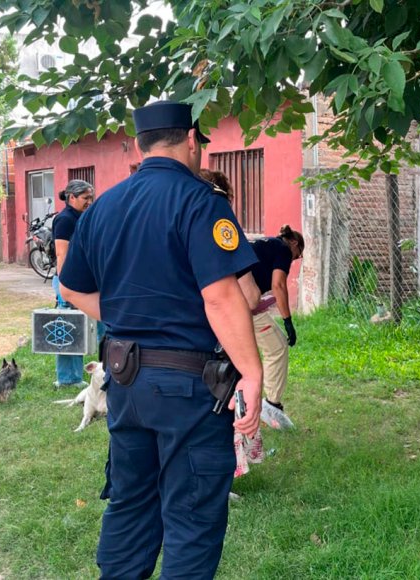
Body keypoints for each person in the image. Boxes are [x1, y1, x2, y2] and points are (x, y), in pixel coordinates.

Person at [58, 100, 263, 578]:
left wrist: (130, 315)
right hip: (188, 389)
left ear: (138, 145)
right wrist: (252, 373)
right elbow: (221, 297)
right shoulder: (201, 201)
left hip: (125, 383)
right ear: (191, 140)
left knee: (131, 504)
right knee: (191, 515)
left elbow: (71, 288)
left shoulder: (103, 206)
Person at [243, 225, 304, 430]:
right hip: (242, 304)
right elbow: (278, 285)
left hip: (232, 298)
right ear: (294, 243)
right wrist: (288, 321)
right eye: (297, 255)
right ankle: (271, 405)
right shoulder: (283, 249)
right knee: (277, 347)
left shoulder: (266, 243)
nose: (293, 260)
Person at [51, 179, 94, 388]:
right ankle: (67, 379)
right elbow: (62, 254)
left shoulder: (82, 217)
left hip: (82, 280)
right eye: (85, 198)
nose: (89, 202)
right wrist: (64, 286)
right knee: (68, 328)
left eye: (91, 197)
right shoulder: (65, 220)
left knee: (82, 328)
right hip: (68, 282)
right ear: (72, 197)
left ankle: (78, 375)